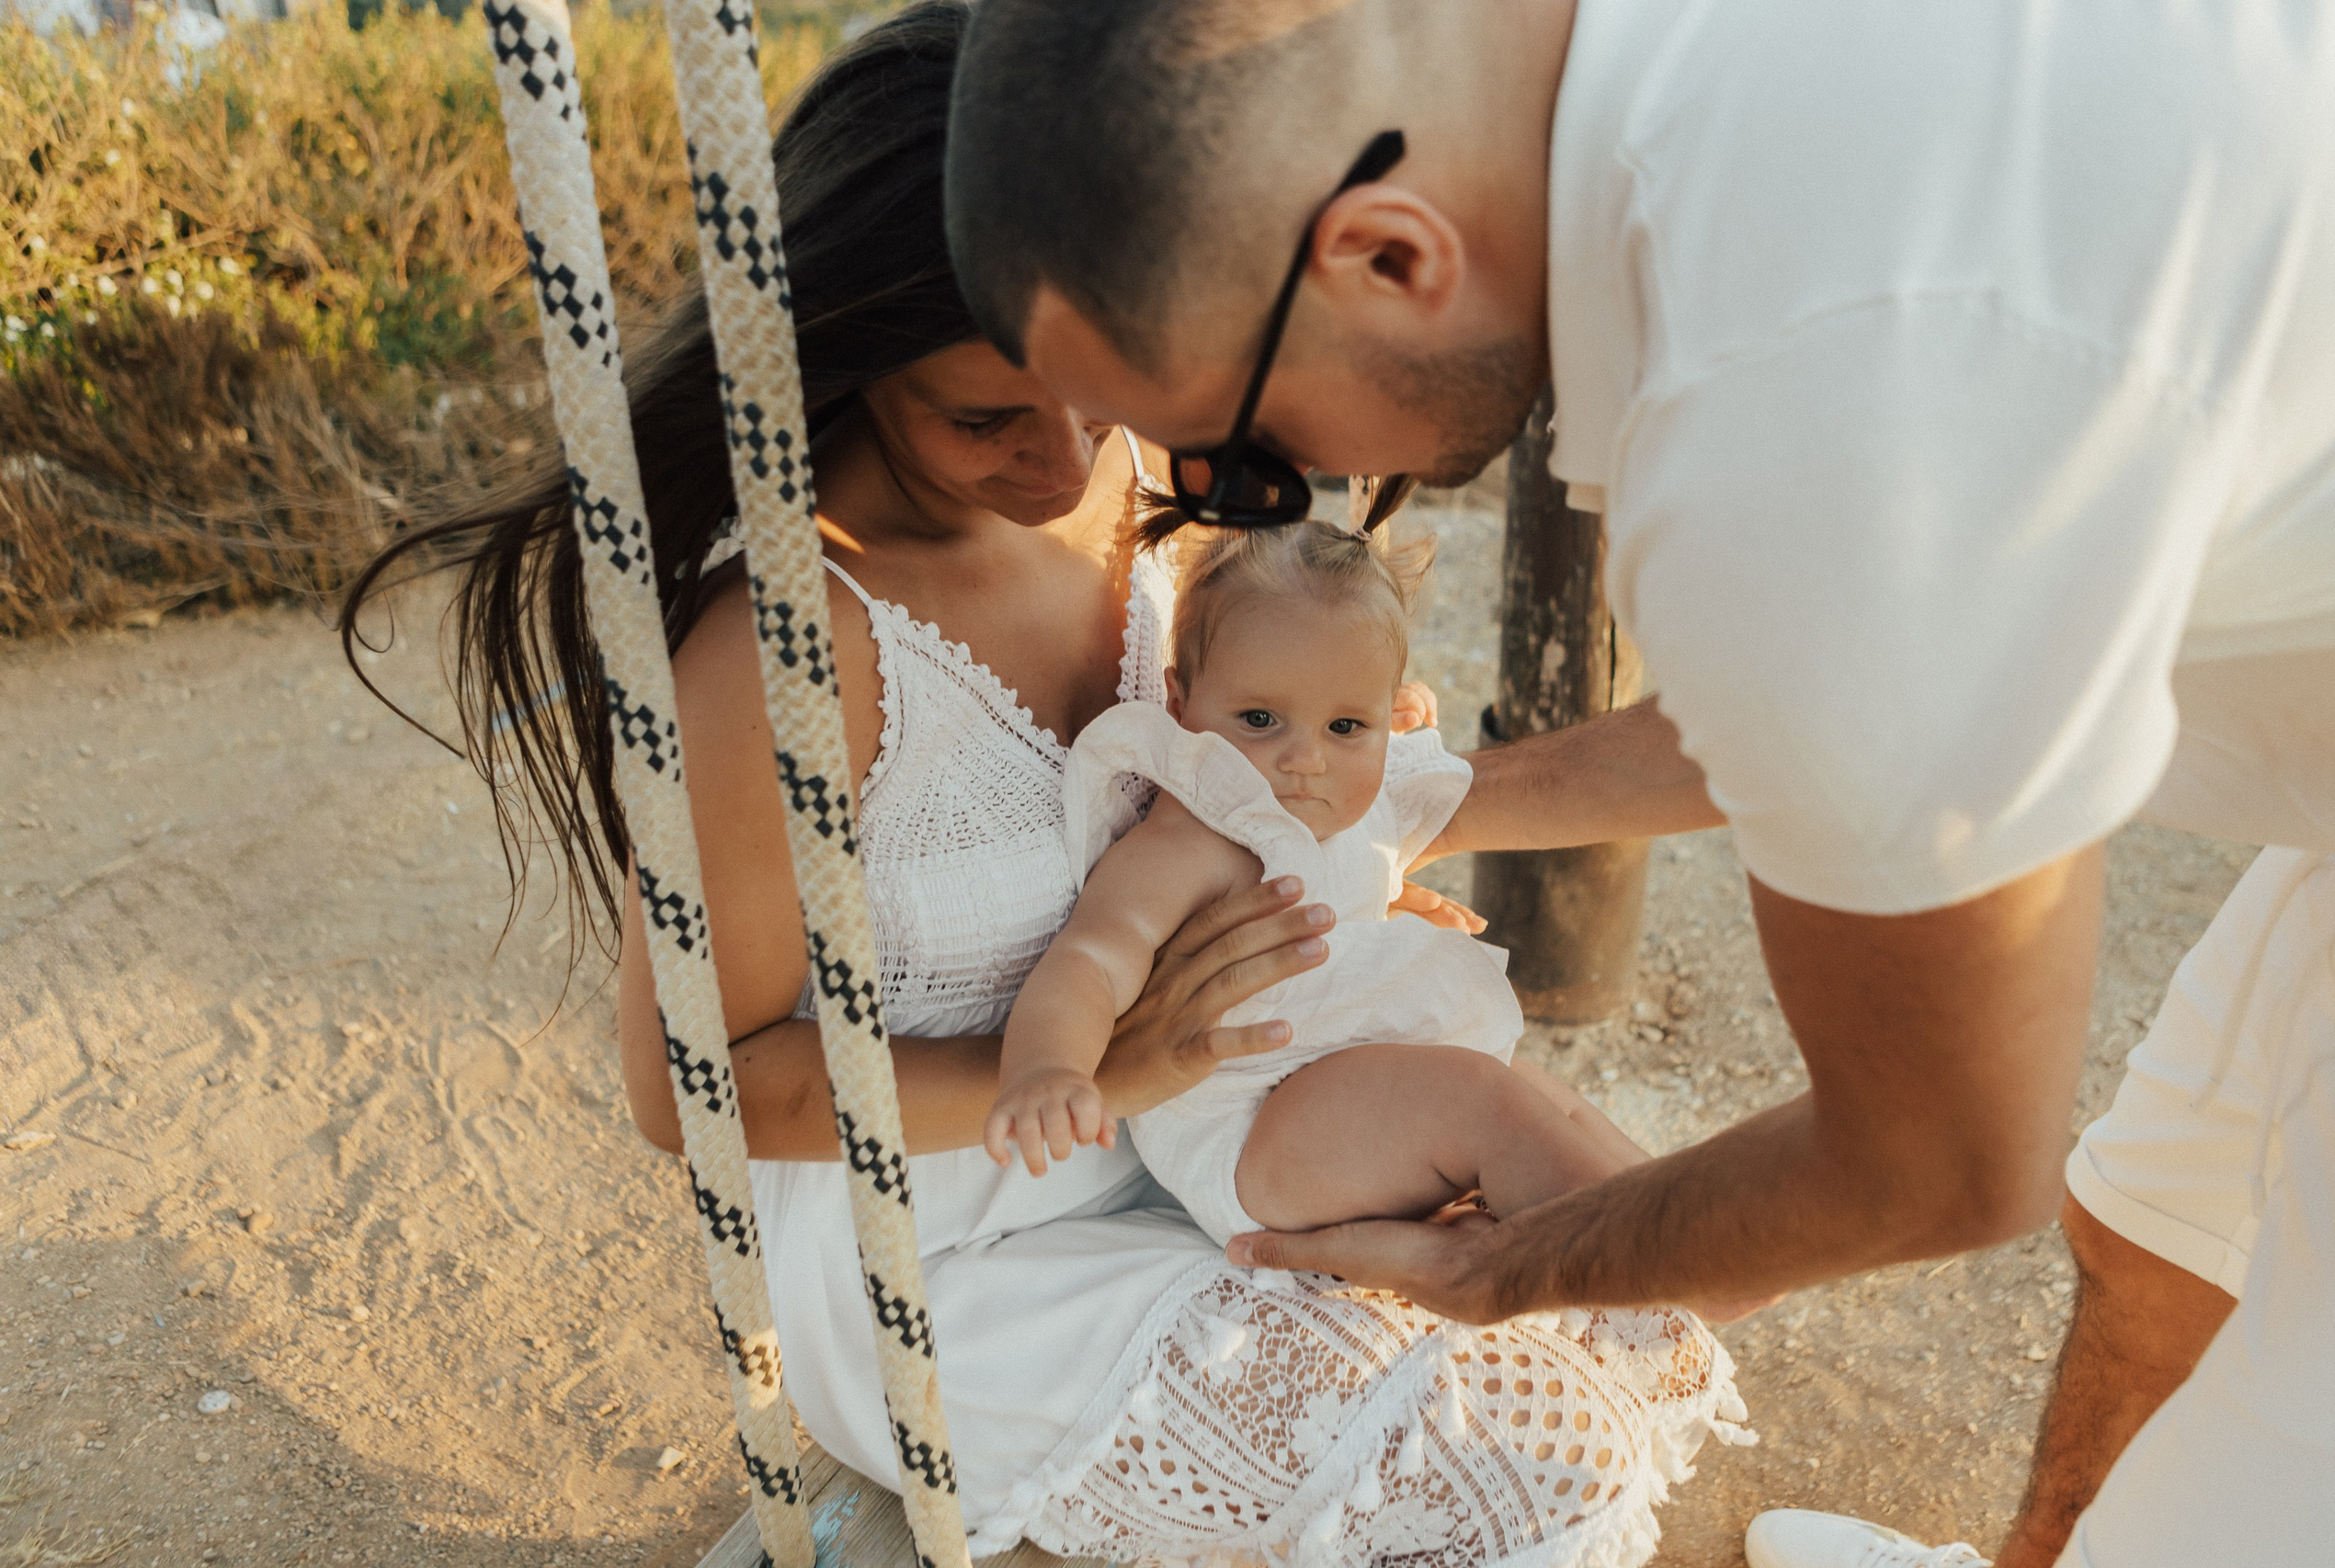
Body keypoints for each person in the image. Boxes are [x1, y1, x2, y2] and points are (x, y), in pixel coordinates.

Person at [345, 6, 1748, 1565]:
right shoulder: (778, 656)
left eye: (1089, 391)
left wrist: (1340, 870)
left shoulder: (1148, 486)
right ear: (841, 365)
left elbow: (1268, 778)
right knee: (1527, 1456)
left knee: (1604, 1303)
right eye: (984, 418)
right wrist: (1100, 1063)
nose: (1066, 459)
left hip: (1219, 1143)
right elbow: (693, 1090)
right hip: (968, 1257)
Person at [942, 3, 2335, 1566]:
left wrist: (1513, 1269)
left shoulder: (1788, 394)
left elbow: (1940, 1161)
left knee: (2265, 1467)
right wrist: (1404, 809)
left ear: (1388, 257)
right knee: (2164, 1218)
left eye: (1241, 460)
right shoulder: (1737, 106)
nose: (1261, 504)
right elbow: (1825, 686)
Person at [988, 517, 1648, 1248]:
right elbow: (1089, 959)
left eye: (1344, 727)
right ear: (1179, 707)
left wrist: (1378, 723)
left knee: (1540, 1097)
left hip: (1354, 1081)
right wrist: (1050, 1068)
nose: (1306, 759)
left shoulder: (1358, 802)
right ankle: (1638, 1252)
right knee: (1486, 1101)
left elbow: (1385, 739)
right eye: (1260, 719)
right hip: (1253, 1125)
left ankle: (1682, 1235)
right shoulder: (1188, 843)